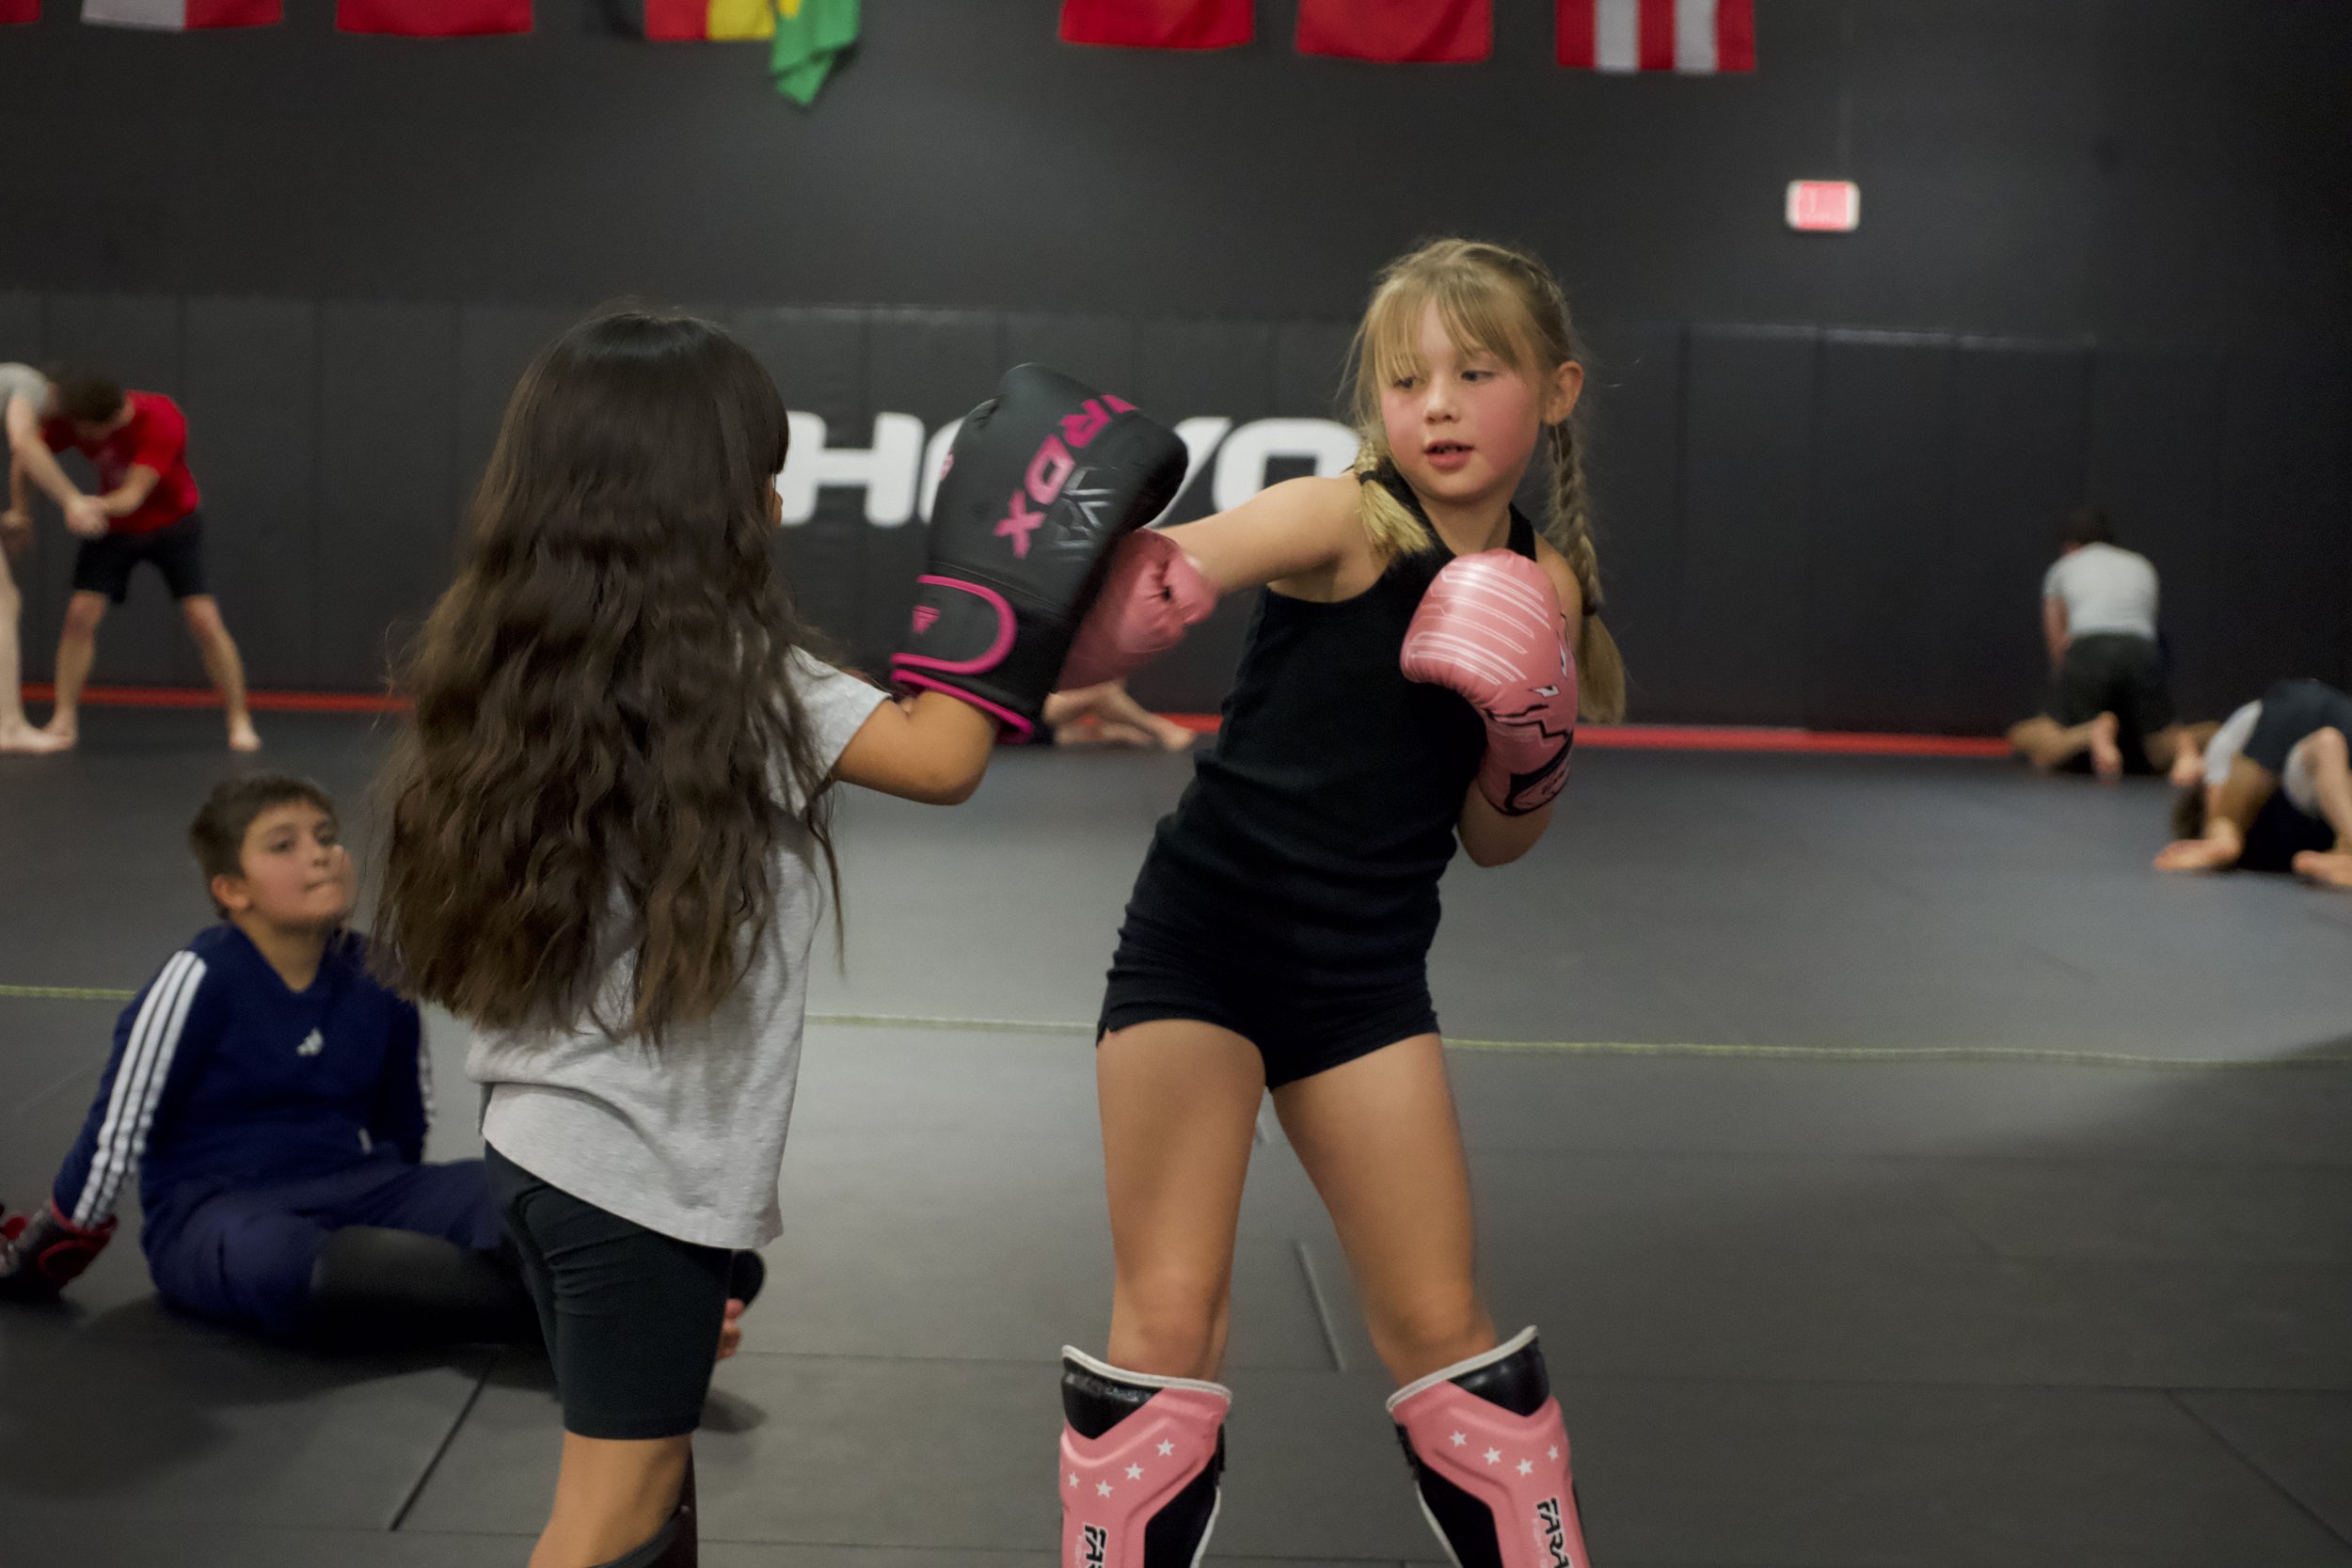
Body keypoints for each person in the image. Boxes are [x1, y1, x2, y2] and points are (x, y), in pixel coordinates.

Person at [370, 309, 1182, 1568]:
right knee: (608, 1518)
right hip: (636, 1182)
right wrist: (1004, 550)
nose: (781, 497)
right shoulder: (743, 675)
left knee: (654, 1507)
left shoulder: (514, 654)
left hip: (544, 1149)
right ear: (719, 498)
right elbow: (944, 756)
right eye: (765, 470)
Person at [1044, 238, 1621, 1568]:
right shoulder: (1342, 518)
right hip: (1206, 943)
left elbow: (1494, 840)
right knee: (1169, 1322)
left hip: (1362, 975)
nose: (1437, 403)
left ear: (1557, 389)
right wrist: (1128, 586)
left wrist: (1532, 746)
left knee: (1446, 1330)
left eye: (1477, 372)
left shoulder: (1551, 584)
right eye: (1408, 375)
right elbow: (1186, 562)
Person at [0, 776, 778, 1354]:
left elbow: (405, 1125)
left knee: (549, 1198)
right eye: (284, 845)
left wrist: (430, 1215)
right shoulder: (200, 974)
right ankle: (633, 1321)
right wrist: (43, 1256)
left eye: (326, 835)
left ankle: (643, 1299)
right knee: (331, 1271)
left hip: (356, 1185)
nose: (320, 854)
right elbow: (114, 1134)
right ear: (230, 890)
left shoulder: (378, 970)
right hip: (218, 1213)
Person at [24, 370, 260, 752]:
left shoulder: (162, 419)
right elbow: (28, 453)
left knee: (204, 618)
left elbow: (132, 496)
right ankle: (64, 718)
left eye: (85, 431)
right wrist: (23, 510)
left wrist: (85, 506)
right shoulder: (81, 419)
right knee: (80, 614)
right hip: (113, 529)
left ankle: (240, 719)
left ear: (109, 421)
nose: (79, 437)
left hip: (172, 525)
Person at [2007, 507, 2187, 780]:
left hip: (2089, 650)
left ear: (2070, 547)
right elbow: (2145, 625)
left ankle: (2090, 735)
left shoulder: (2064, 567)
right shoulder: (2140, 564)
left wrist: (2063, 678)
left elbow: (2056, 635)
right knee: (2160, 748)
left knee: (2041, 743)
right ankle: (2189, 746)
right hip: (2141, 650)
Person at [2156, 678, 2352, 888]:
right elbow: (2222, 805)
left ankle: (2344, 851)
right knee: (2327, 744)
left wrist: (2220, 837)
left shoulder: (2229, 747)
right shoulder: (2225, 751)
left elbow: (2223, 811)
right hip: (2307, 739)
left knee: (2327, 744)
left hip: (2301, 733)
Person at [0, 362, 102, 752]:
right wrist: (71, 499)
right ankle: (8, 726)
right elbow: (23, 443)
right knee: (4, 602)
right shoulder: (30, 383)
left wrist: (18, 512)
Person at [1042, 678, 1199, 751]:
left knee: (1101, 690)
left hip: (1027, 722)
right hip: (1023, 714)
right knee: (1101, 690)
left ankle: (1107, 731)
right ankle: (1163, 728)